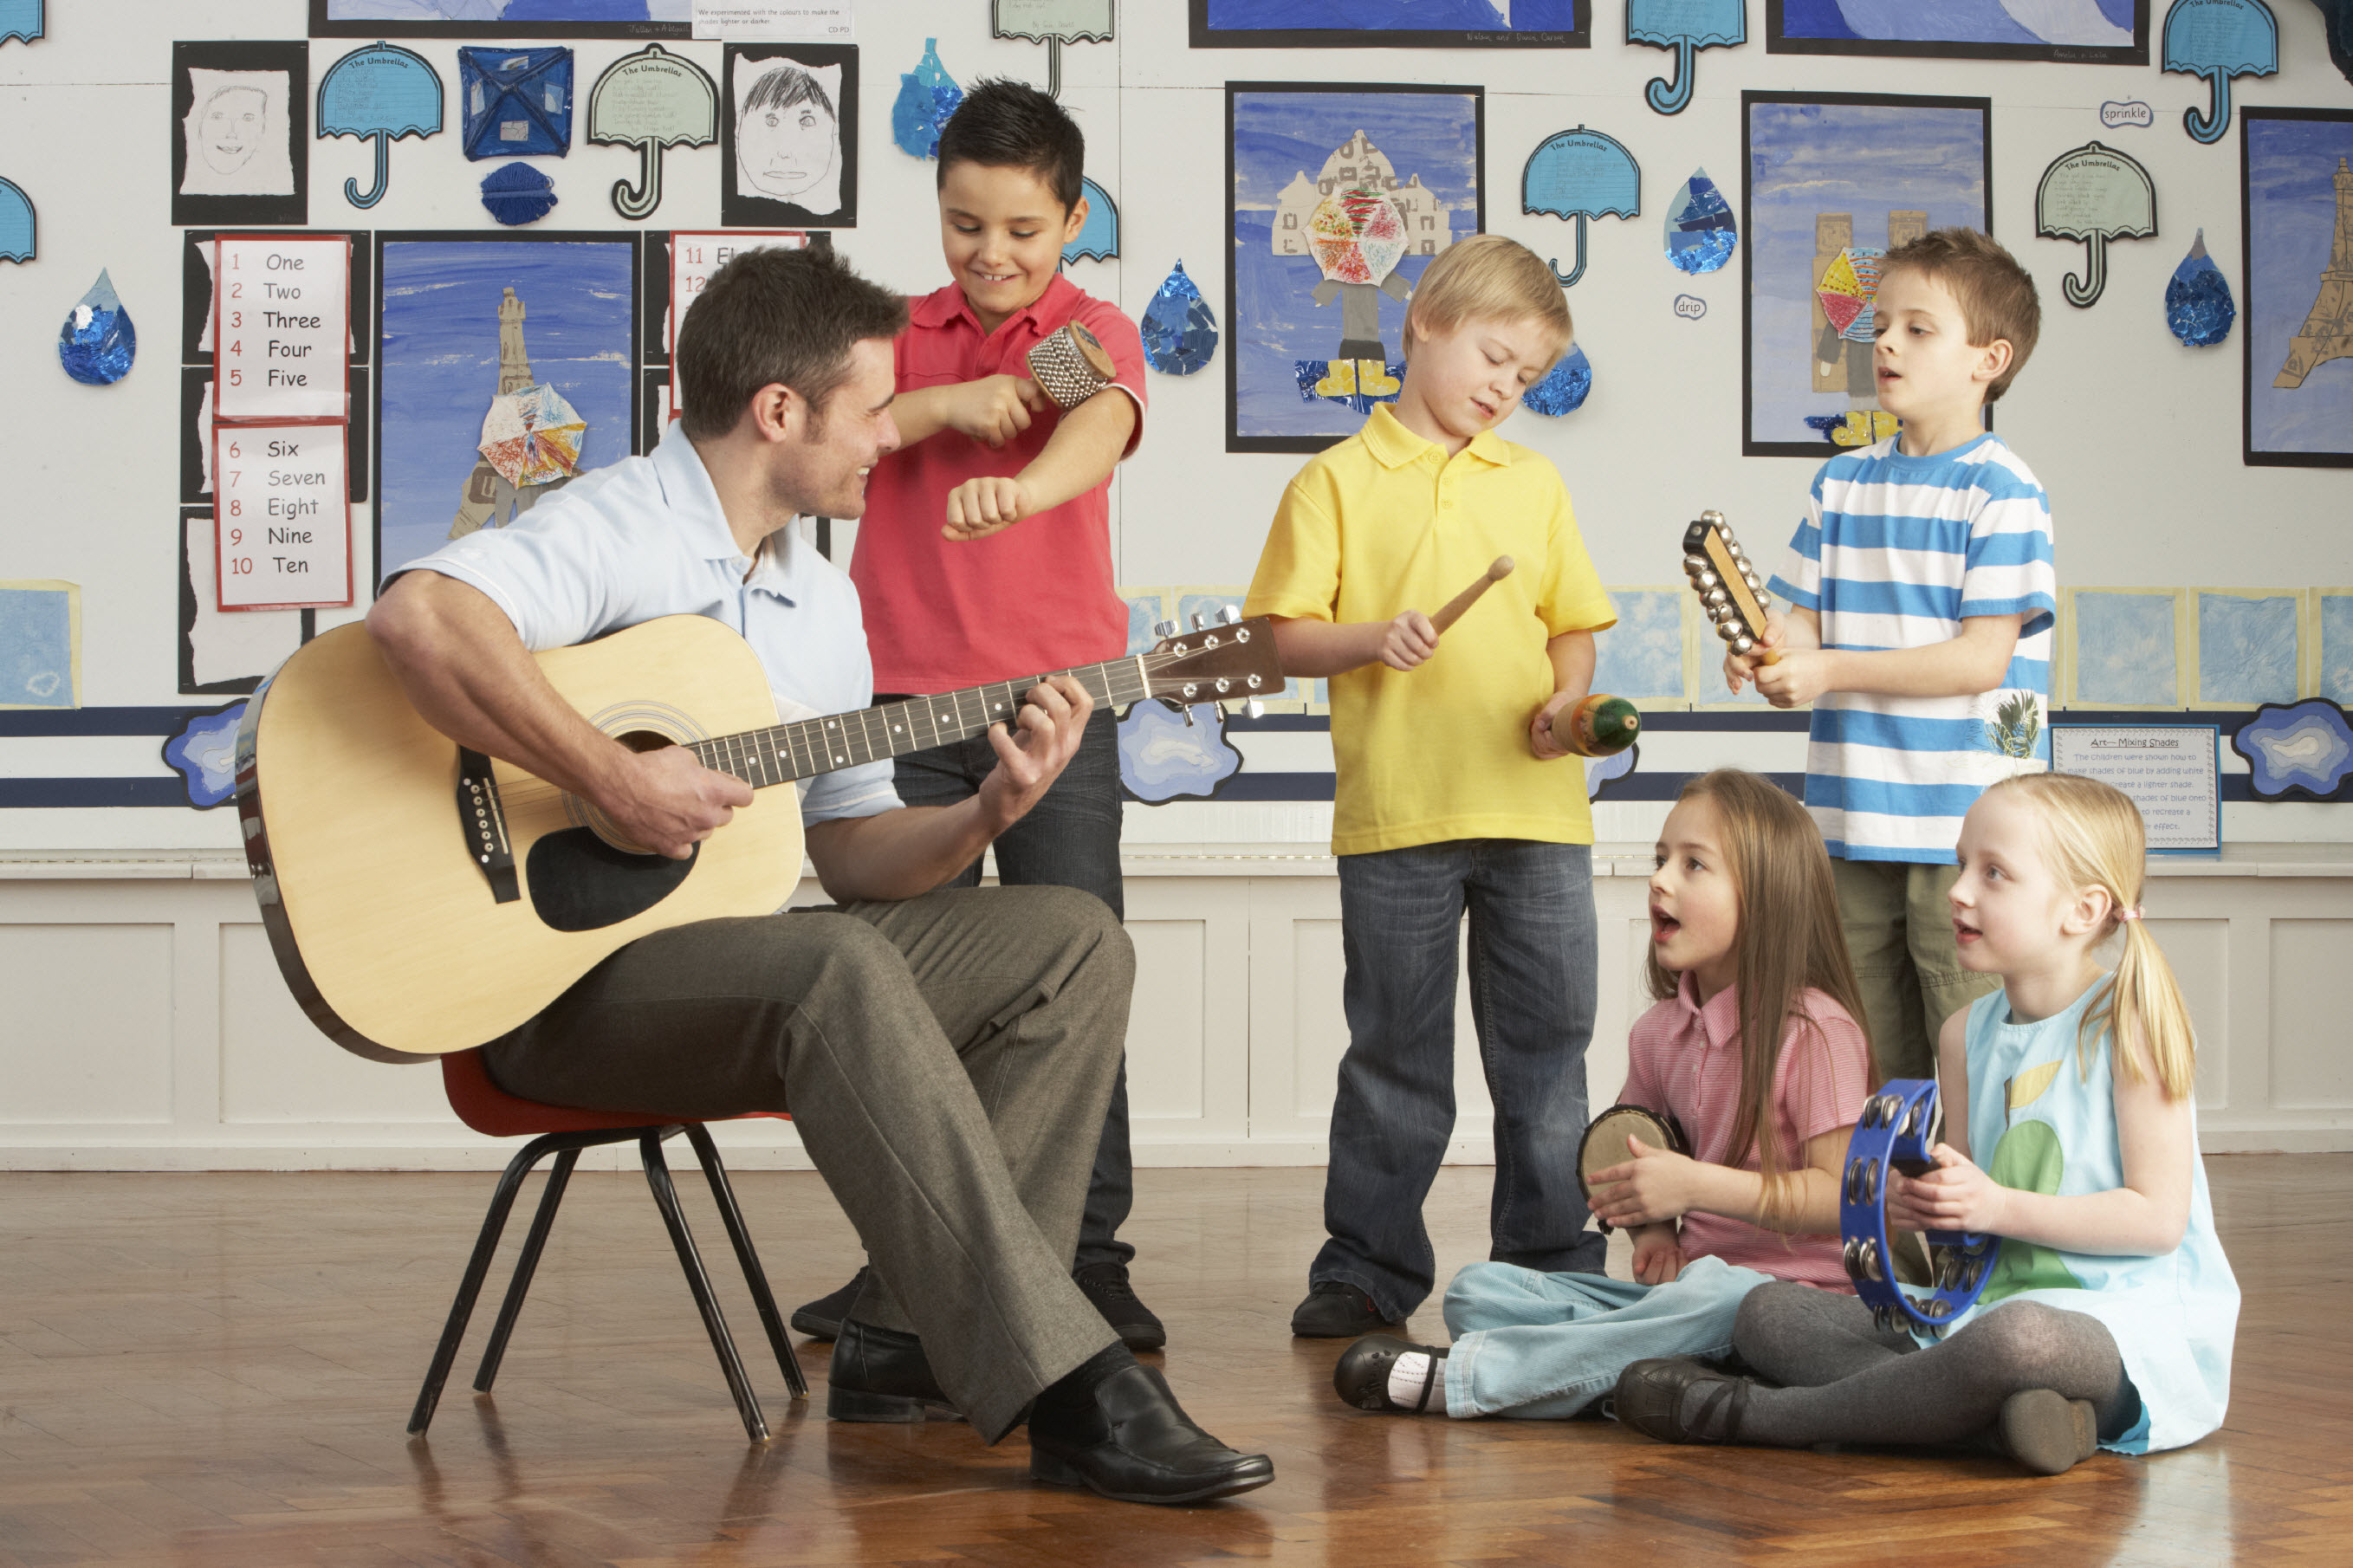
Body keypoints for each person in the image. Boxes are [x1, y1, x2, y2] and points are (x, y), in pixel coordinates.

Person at [363, 246, 1271, 1506]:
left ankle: (904, 1334)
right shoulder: (622, 522)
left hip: (723, 964)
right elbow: (418, 619)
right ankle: (1071, 1383)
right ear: (780, 412)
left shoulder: (821, 599)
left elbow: (853, 857)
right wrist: (610, 775)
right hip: (553, 996)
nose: (885, 444)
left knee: (1071, 938)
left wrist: (988, 811)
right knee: (828, 968)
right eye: (870, 414)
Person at [801, 77, 1164, 1352]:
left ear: (1070, 219)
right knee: (896, 999)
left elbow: (1098, 420)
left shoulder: (1077, 333)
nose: (993, 254)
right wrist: (945, 408)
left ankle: (1089, 1255)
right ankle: (904, 1263)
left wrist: (1021, 493)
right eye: (966, 225)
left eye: (1021, 229)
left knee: (1083, 967)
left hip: (1057, 695)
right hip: (897, 697)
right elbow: (855, 431)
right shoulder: (897, 331)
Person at [1615, 774, 2240, 1477]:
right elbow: (1967, 1234)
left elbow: (2157, 1221)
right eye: (1962, 864)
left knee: (2018, 1342)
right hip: (1981, 1313)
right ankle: (2001, 1423)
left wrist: (1998, 1205)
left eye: (1994, 873)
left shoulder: (2127, 1024)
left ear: (2082, 908)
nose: (1959, 890)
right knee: (1767, 1314)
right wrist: (1932, 1211)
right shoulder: (1963, 1033)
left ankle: (1762, 1418)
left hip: (2121, 1325)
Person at [1242, 233, 1617, 1340]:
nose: (1506, 389)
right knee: (1395, 1059)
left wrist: (1562, 702)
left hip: (1538, 816)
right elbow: (1278, 641)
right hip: (1397, 816)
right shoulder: (1333, 483)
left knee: (1547, 1059)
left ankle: (1550, 1262)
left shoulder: (1536, 483)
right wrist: (1368, 637)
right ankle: (1367, 1264)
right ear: (1423, 323)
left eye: (1527, 377)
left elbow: (1575, 632)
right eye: (1494, 358)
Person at [1332, 770, 1872, 1420]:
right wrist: (1653, 1229)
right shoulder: (1658, 1035)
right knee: (1479, 1292)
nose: (1661, 879)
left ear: (1769, 898)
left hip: (1794, 1308)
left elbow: (1845, 1201)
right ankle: (1650, 1380)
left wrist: (1694, 1188)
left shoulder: (1816, 1033)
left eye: (1693, 865)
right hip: (1686, 1302)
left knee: (1727, 1302)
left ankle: (1474, 1381)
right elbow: (1629, 1156)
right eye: (1661, 859)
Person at [1729, 228, 2056, 1085]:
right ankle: (1890, 1225)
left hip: (1966, 833)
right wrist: (1765, 655)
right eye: (1880, 324)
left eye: (1918, 328)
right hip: (1847, 820)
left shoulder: (2003, 492)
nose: (1883, 342)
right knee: (1863, 1057)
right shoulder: (1839, 483)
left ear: (1989, 359)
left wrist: (1826, 668)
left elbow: (1981, 661)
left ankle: (1977, 1221)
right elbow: (1795, 626)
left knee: (1970, 1054)